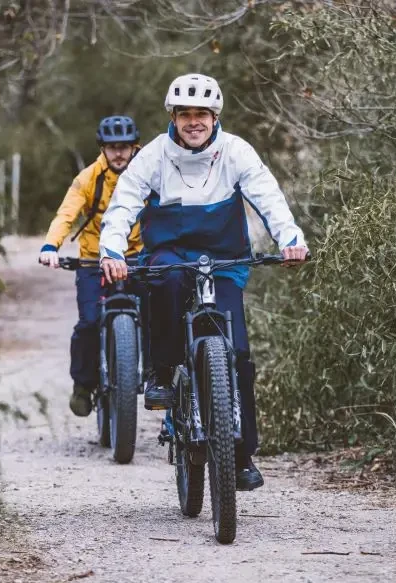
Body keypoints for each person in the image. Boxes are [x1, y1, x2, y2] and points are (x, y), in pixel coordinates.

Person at [98, 74, 308, 491]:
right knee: (167, 282)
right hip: (171, 254)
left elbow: (267, 196)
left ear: (215, 117)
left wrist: (291, 239)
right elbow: (124, 203)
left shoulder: (236, 152)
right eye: (185, 114)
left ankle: (241, 454)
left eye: (202, 114)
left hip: (223, 258)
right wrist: (111, 251)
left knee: (239, 355)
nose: (194, 122)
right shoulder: (154, 156)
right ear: (173, 117)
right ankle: (163, 372)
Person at [39, 115, 143, 417]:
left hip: (136, 259)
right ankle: (83, 384)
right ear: (102, 149)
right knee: (88, 322)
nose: (119, 153)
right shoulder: (87, 179)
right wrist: (51, 246)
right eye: (113, 148)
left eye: (125, 147)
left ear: (135, 147)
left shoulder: (147, 174)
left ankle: (157, 375)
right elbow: (66, 215)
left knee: (158, 314)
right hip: (92, 261)